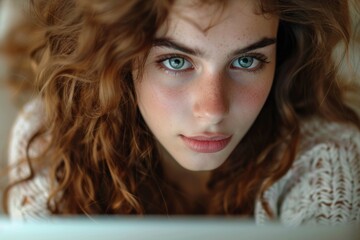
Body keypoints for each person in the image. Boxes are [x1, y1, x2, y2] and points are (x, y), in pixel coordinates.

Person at [3, 0, 360, 225]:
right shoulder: (52, 142)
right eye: (176, 61)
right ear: (118, 58)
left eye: (247, 60)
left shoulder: (323, 157)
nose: (213, 111)